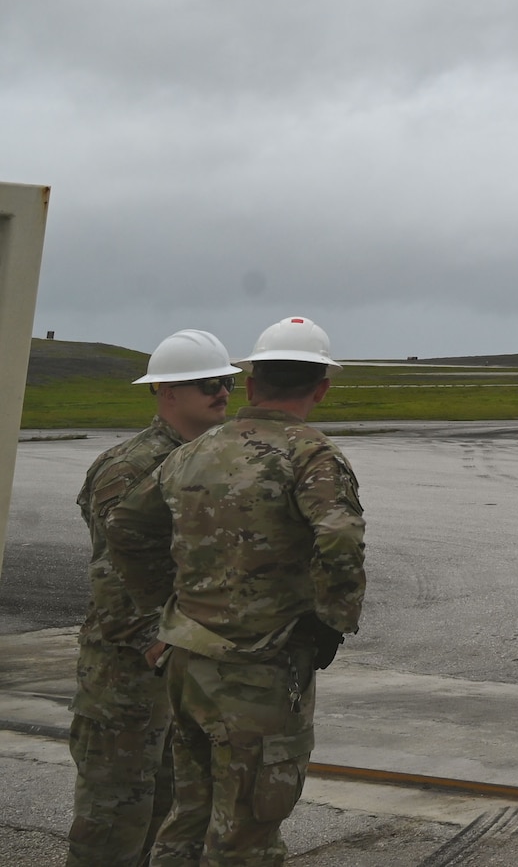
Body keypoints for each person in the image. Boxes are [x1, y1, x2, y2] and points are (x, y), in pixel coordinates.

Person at [105, 316, 365, 866]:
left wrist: (163, 612)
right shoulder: (310, 454)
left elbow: (125, 527)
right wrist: (332, 620)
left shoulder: (193, 451)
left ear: (249, 383)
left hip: (188, 663)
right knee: (247, 832)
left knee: (190, 815)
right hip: (258, 669)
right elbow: (339, 536)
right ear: (322, 388)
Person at [67, 331, 240, 867]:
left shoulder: (202, 459)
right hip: (128, 669)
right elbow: (113, 571)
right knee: (114, 817)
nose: (222, 393)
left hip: (178, 664)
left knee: (170, 811)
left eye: (227, 382)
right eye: (208, 384)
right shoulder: (133, 466)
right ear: (167, 392)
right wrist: (152, 641)